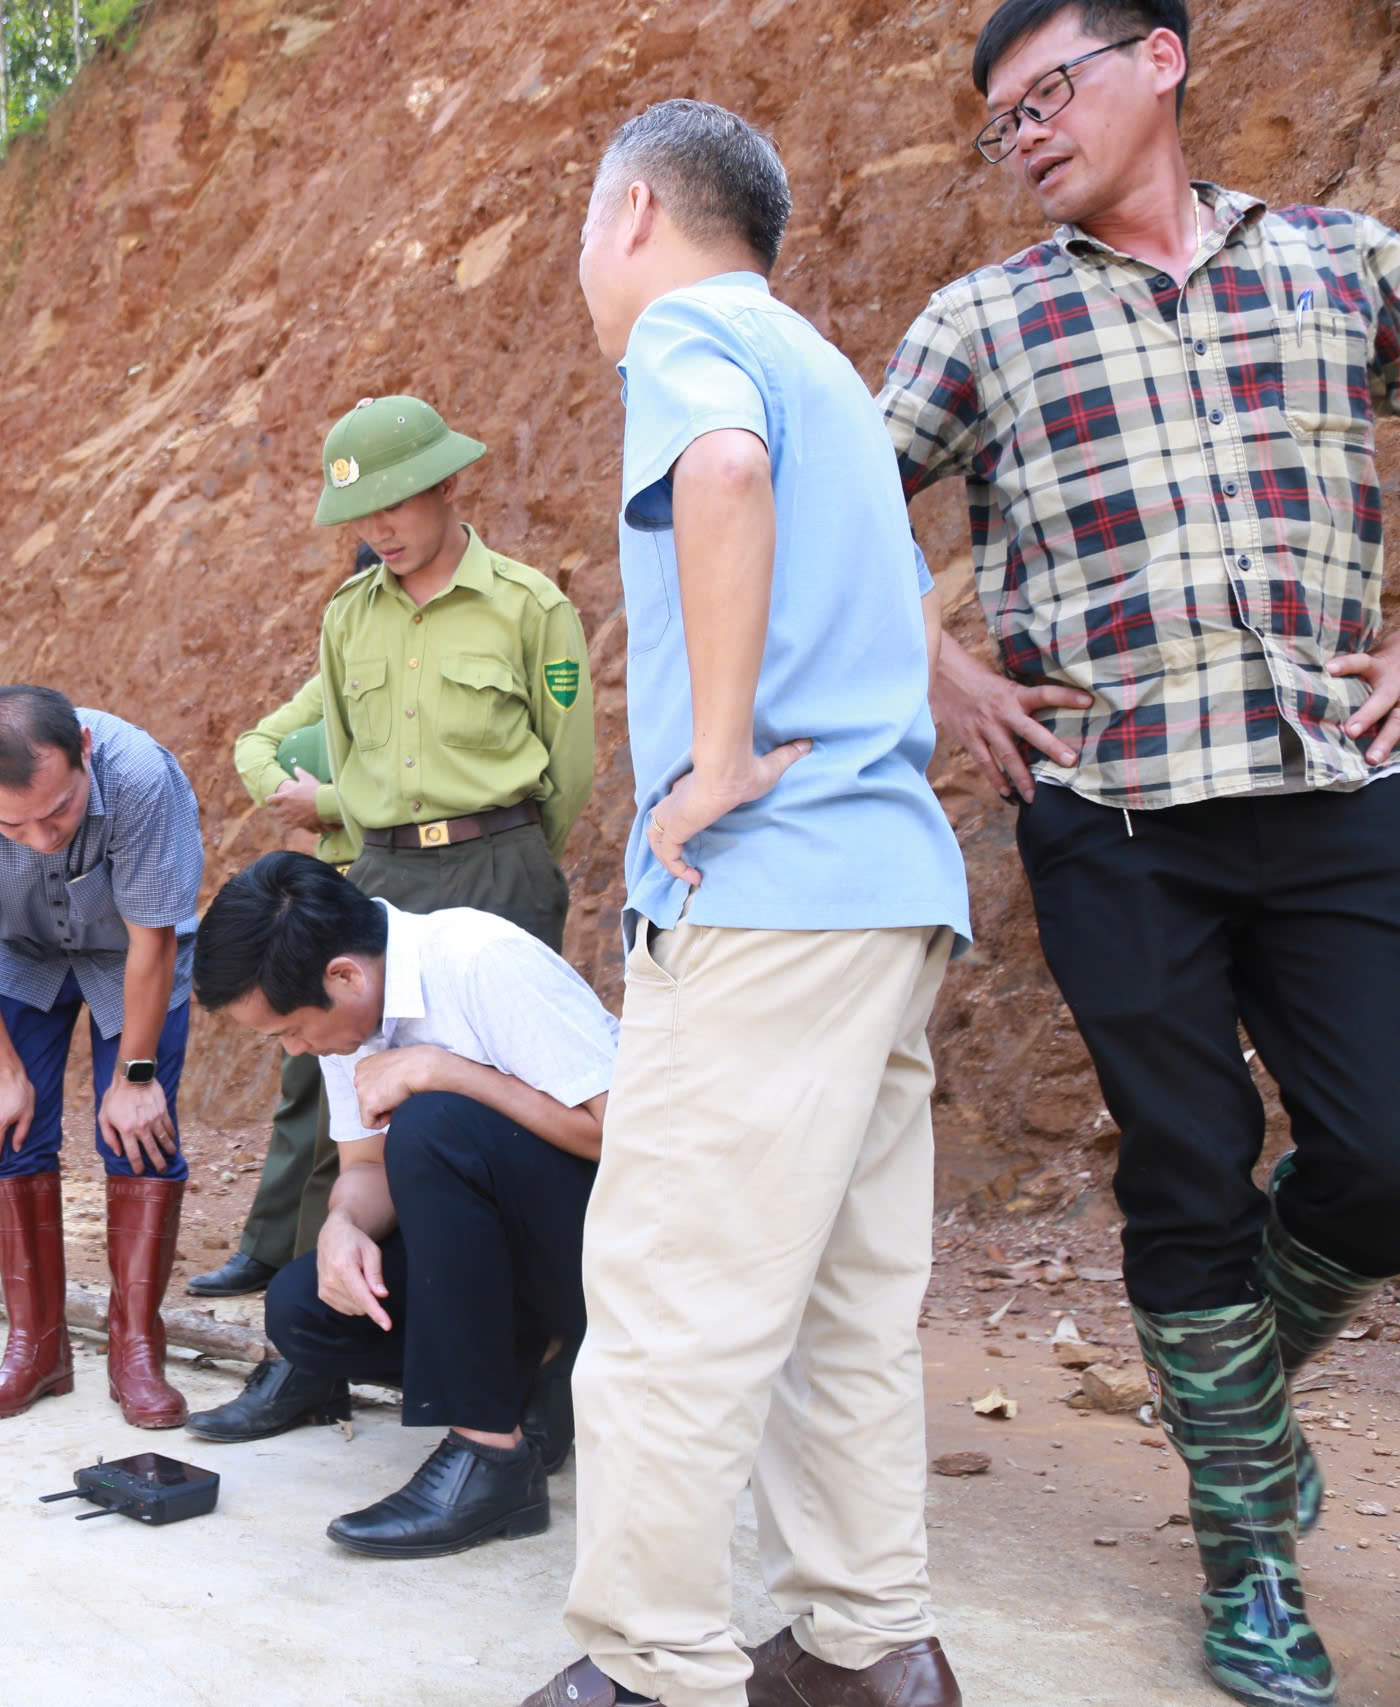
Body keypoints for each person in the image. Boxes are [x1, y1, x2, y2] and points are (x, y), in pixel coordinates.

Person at [880, 4, 1400, 1699]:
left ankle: (1222, 1403)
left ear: (1161, 62)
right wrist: (942, 663)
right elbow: (811, 498)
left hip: (1333, 780)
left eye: (1052, 93)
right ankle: (1251, 1546)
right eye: (1001, 121)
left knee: (1383, 1152)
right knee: (1186, 1170)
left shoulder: (1340, 264)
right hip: (1111, 811)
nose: (1026, 133)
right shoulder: (986, 319)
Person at [530, 102, 972, 1707]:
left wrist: (711, 762)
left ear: (634, 209)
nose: (586, 267)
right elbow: (906, 600)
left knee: (665, 1305)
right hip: (890, 891)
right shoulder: (832, 373)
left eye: (586, 228)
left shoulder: (691, 338)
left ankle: (652, 1668)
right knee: (842, 1308)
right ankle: (867, 1645)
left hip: (770, 895)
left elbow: (717, 471)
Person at [191, 853, 611, 1559]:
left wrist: (446, 1072)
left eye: (290, 1030)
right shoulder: (347, 1017)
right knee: (302, 1307)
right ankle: (537, 1375)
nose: (294, 1048)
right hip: (504, 1262)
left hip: (604, 1251)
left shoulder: (482, 960)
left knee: (431, 1122)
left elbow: (624, 1132)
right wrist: (342, 1225)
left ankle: (493, 1455)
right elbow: (364, 1165)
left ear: (345, 975)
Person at [0, 684, 204, 1428]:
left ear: (85, 755)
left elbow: (152, 940)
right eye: (12, 823)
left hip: (130, 954)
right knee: (10, 1131)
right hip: (15, 954)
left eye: (60, 811)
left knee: (138, 1134)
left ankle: (136, 1350)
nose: (41, 838)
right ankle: (34, 1347)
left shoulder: (140, 776)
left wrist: (135, 1076)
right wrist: (1, 1070)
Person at [311, 395, 593, 952]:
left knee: (502, 1040)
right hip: (385, 879)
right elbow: (345, 762)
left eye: (392, 502)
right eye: (361, 513)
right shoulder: (346, 617)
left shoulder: (530, 607)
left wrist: (519, 857)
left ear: (447, 485)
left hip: (503, 872)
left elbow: (570, 767)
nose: (377, 529)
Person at [187, 550, 376, 1300]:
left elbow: (427, 782)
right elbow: (253, 746)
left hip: (408, 886)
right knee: (307, 1076)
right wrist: (294, 798)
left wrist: (328, 803)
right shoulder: (338, 670)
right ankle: (273, 1247)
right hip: (337, 888)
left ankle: (331, 1258)